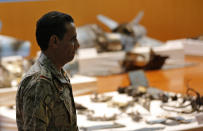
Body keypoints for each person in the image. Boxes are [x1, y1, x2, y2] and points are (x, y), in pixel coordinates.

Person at [16, 11, 80, 131]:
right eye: (72, 39)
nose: (77, 45)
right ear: (54, 41)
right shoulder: (39, 83)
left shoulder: (59, 74)